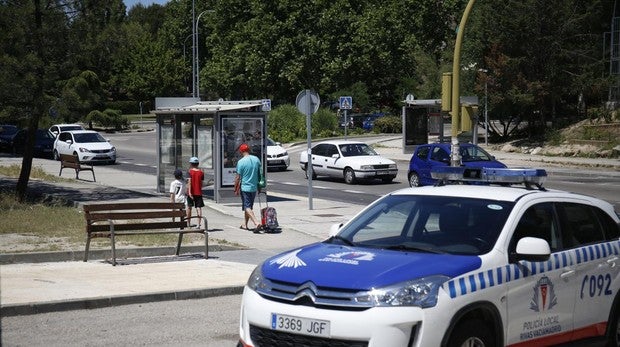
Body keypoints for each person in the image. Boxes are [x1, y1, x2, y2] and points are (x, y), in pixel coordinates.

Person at [234, 143, 262, 231]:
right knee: (249, 206)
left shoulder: (241, 162)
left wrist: (235, 188)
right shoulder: (256, 159)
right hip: (254, 187)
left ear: (241, 151)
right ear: (249, 150)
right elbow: (260, 174)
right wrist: (259, 186)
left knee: (247, 207)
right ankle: (244, 225)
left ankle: (256, 222)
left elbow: (237, 178)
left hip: (245, 187)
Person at [186, 156, 205, 228]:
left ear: (191, 163)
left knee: (189, 207)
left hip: (191, 192)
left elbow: (189, 183)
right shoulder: (201, 172)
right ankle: (198, 224)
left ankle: (188, 223)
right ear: (198, 164)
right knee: (198, 208)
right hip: (198, 192)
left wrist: (190, 192)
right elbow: (202, 183)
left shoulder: (189, 172)